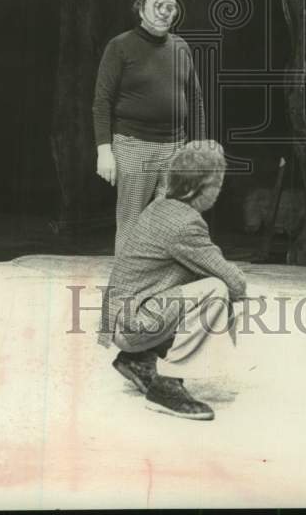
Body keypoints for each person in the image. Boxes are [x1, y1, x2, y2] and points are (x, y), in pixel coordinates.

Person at [98, 142, 247, 421]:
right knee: (216, 290)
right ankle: (168, 387)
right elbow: (235, 284)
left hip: (123, 320)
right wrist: (230, 275)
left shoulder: (161, 206)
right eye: (217, 184)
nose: (220, 191)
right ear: (196, 188)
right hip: (132, 326)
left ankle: (139, 361)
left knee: (198, 284)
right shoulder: (186, 224)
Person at [93, 0, 206, 254]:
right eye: (156, 5)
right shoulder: (120, 46)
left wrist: (198, 149)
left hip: (175, 148)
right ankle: (126, 290)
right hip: (133, 146)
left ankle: (158, 288)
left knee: (171, 224)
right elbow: (102, 101)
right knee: (131, 223)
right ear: (140, 10)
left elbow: (195, 100)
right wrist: (104, 151)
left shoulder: (181, 48)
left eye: (169, 7)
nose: (163, 12)